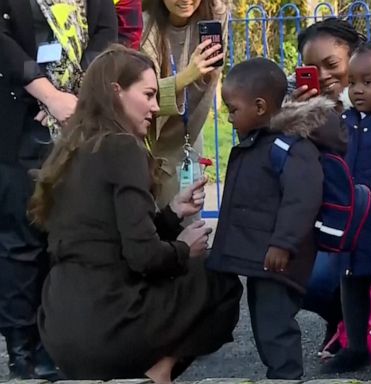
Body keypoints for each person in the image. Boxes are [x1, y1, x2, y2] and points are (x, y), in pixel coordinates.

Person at [29, 46, 243, 383]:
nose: (157, 107)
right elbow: (143, 256)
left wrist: (172, 214)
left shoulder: (67, 150)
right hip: (113, 324)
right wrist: (185, 249)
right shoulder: (121, 146)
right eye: (148, 95)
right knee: (220, 276)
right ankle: (159, 371)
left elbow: (106, 238)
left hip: (59, 328)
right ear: (116, 91)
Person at [206, 57, 344, 379]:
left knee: (275, 325)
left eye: (232, 109)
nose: (228, 117)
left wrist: (283, 243)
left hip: (281, 260)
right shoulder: (261, 142)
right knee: (263, 321)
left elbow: (303, 199)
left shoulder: (289, 146)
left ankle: (286, 376)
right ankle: (279, 373)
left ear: (259, 106)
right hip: (262, 258)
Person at [0, 0, 117, 379]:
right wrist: (49, 95)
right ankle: (21, 347)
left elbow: (104, 33)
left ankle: (59, 341)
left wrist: (79, 97)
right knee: (21, 239)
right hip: (20, 120)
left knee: (71, 237)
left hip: (79, 121)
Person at [292, 17, 366, 357]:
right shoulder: (304, 114)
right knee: (301, 278)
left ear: (355, 58)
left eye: (332, 64)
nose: (322, 76)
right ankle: (340, 320)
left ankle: (362, 326)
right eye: (311, 67)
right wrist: (297, 117)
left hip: (370, 222)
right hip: (329, 225)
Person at [321, 40, 371, 374]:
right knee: (352, 282)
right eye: (353, 82)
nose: (358, 90)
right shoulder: (344, 121)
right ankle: (355, 346)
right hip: (353, 221)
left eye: (368, 82)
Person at [141, 0, 228, 208]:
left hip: (188, 137)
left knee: (188, 224)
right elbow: (142, 100)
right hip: (146, 140)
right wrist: (187, 76)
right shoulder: (145, 25)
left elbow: (210, 79)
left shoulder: (214, 17)